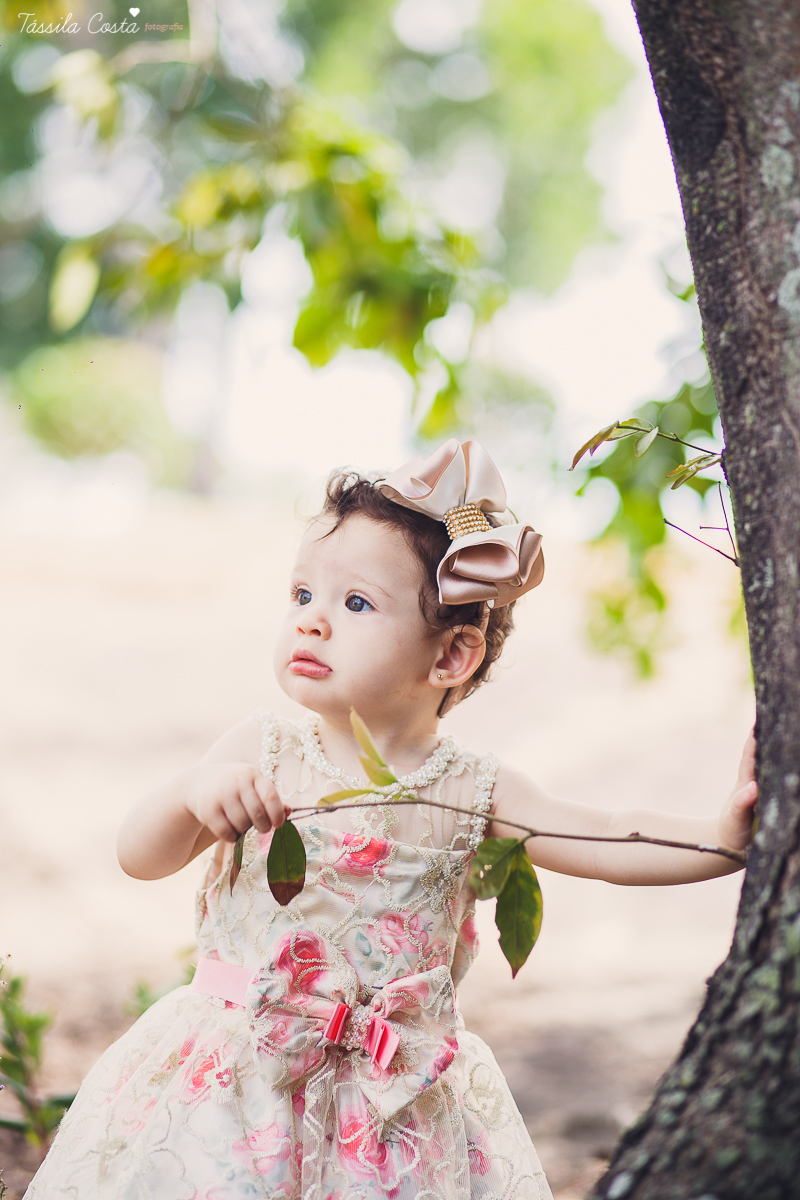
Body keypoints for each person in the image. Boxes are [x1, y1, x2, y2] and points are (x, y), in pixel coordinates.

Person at [24, 438, 757, 1200]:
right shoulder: (261, 750)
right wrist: (188, 795)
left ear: (450, 657)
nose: (310, 622)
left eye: (356, 603)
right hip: (233, 1084)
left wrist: (724, 838)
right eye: (302, 595)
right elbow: (139, 857)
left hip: (389, 1110)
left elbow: (607, 834)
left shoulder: (473, 791)